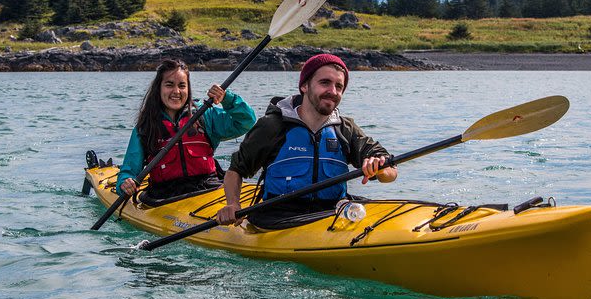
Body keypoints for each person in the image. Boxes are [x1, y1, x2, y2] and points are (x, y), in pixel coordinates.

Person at [216, 53, 397, 229]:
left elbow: (390, 171)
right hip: (278, 218)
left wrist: (379, 167)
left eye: (339, 86)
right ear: (304, 85)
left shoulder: (345, 128)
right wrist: (233, 204)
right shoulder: (273, 126)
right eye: (325, 83)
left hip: (332, 213)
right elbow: (236, 170)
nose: (332, 92)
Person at [117, 59, 256, 200]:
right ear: (159, 88)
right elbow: (129, 170)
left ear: (188, 89)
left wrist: (227, 98)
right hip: (164, 197)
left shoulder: (204, 115)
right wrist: (125, 182)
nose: (176, 91)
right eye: (169, 85)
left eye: (182, 86)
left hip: (209, 188)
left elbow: (246, 121)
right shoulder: (145, 127)